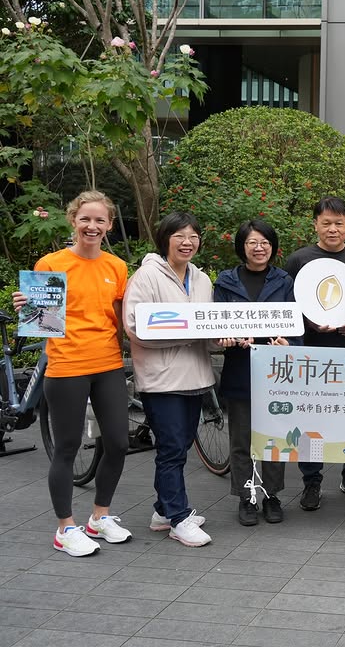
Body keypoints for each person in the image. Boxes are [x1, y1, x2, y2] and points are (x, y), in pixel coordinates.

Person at [12, 191, 131, 556]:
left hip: (109, 364)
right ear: (73, 221)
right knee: (67, 448)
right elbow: (39, 319)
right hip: (66, 366)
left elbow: (122, 320)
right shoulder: (51, 264)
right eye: (85, 219)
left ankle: (100, 516)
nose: (92, 226)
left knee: (119, 443)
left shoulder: (117, 267)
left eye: (100, 221)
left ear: (109, 225)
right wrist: (25, 304)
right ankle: (65, 527)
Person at [122, 212, 215, 548]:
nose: (187, 242)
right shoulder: (146, 276)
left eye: (192, 235)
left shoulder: (203, 280)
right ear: (165, 239)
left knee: (181, 444)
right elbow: (134, 327)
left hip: (195, 375)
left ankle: (163, 510)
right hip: (161, 379)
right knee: (172, 449)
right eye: (179, 235)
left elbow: (208, 329)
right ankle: (179, 517)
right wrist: (188, 335)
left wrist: (228, 338)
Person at [284, 197, 345, 511]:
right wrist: (308, 322)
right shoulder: (299, 260)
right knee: (311, 418)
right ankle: (311, 481)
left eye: (339, 223)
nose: (333, 229)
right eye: (326, 222)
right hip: (311, 356)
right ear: (315, 224)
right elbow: (286, 306)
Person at [213, 220, 298, 527]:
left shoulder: (284, 280)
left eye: (264, 242)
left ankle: (272, 496)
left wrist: (287, 341)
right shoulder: (225, 281)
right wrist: (226, 337)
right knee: (242, 439)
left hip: (275, 373)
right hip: (240, 369)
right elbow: (216, 325)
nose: (259, 247)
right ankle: (246, 497)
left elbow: (295, 324)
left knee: (275, 437)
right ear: (242, 247)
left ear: (272, 246)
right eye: (252, 242)